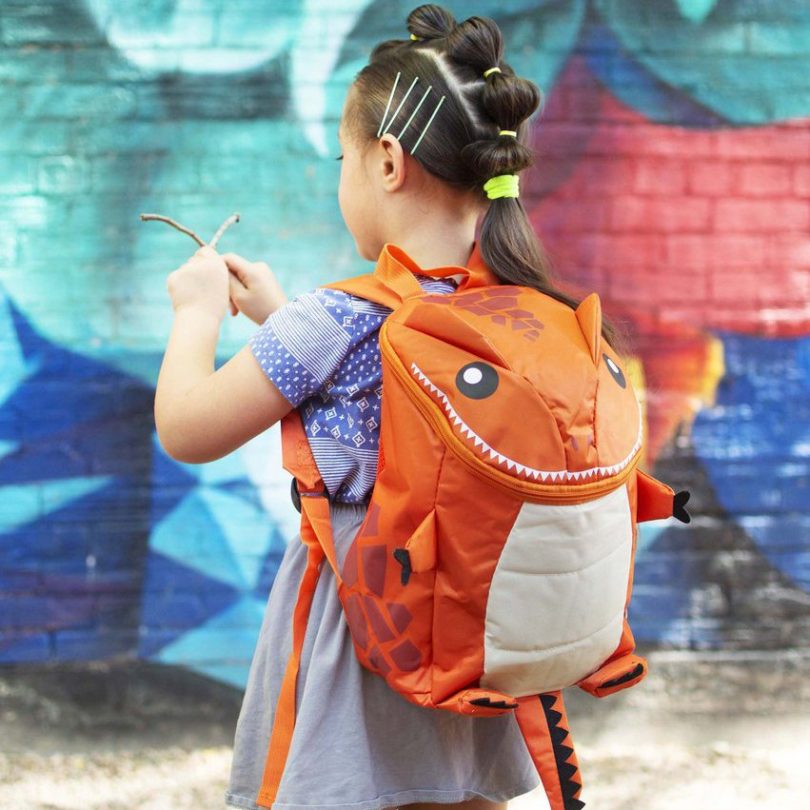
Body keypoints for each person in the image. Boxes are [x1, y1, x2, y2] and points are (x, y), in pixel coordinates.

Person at [155, 5, 625, 809]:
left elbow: (186, 428)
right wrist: (282, 316)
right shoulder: (522, 307)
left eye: (343, 156)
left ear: (386, 162)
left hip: (364, 639)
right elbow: (388, 372)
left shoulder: (333, 321)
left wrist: (197, 313)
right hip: (475, 630)